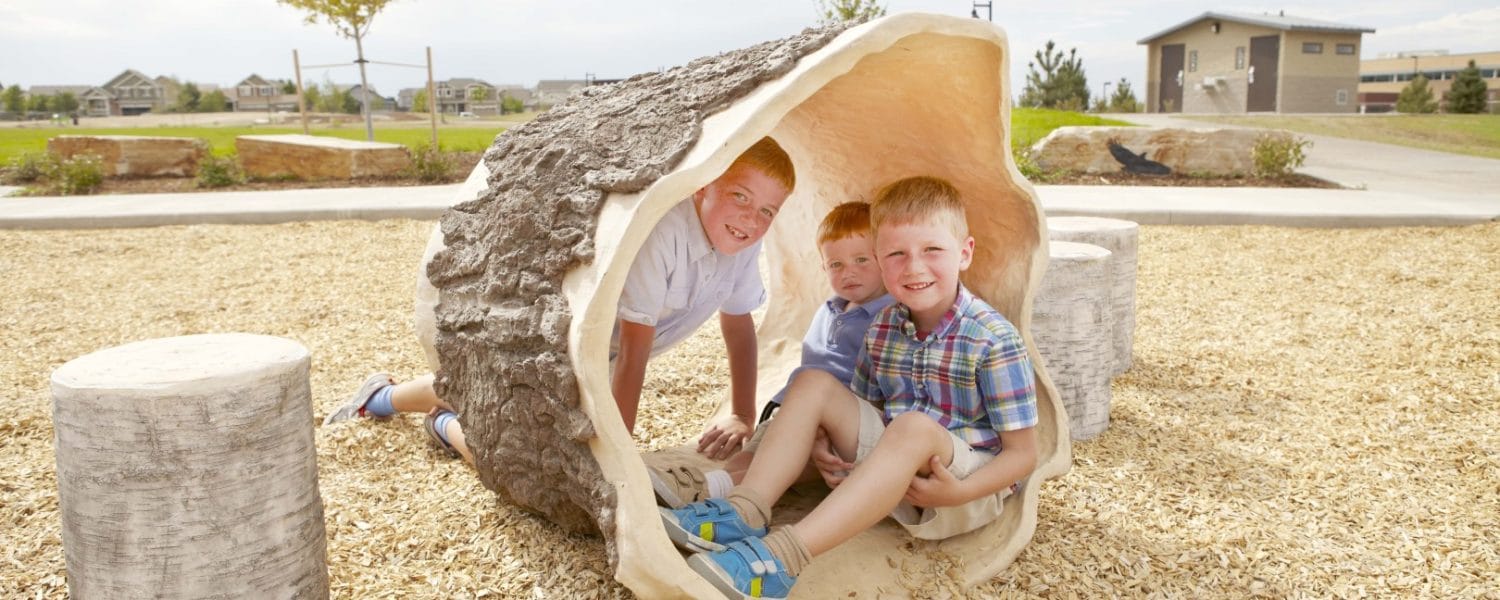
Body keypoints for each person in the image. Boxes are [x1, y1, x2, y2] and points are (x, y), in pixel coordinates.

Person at [658, 176, 1038, 600]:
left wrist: (960, 492)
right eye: (896, 254)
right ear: (880, 258)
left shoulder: (992, 338)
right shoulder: (883, 327)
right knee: (812, 381)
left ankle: (781, 558)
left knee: (913, 427)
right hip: (889, 476)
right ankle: (744, 509)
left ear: (964, 253)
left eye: (932, 250)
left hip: (958, 489)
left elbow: (1024, 454)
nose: (914, 267)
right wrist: (823, 441)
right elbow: (859, 408)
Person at [324, 137, 797, 464]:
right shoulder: (667, 233)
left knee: (539, 445)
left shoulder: (743, 239)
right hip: (563, 340)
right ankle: (382, 400)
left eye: (767, 211)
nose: (751, 218)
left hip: (609, 353)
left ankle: (443, 424)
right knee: (485, 399)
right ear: (703, 184)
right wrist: (621, 452)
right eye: (739, 195)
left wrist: (741, 412)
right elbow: (634, 350)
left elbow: (738, 326)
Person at [648, 201, 893, 508]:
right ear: (823, 267)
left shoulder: (888, 317)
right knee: (745, 462)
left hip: (837, 425)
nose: (849, 273)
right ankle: (714, 493)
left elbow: (879, 391)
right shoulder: (832, 308)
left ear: (885, 259)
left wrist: (823, 429)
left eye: (861, 260)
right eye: (836, 265)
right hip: (793, 411)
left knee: (774, 466)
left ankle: (709, 497)